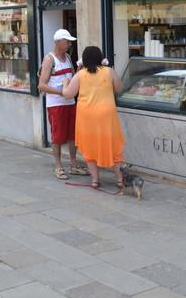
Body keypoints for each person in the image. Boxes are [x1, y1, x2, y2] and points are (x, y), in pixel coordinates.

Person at [61, 46, 126, 192]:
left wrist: (65, 83)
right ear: (100, 58)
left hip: (87, 116)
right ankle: (120, 180)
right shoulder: (109, 71)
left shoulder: (80, 75)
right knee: (113, 146)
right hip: (107, 115)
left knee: (89, 147)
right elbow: (120, 88)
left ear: (83, 60)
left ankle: (95, 180)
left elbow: (68, 94)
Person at [38, 29, 89, 180]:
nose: (69, 44)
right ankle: (58, 166)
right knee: (58, 136)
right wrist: (62, 93)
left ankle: (73, 164)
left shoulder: (67, 57)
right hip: (56, 104)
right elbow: (42, 85)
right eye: (66, 41)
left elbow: (72, 78)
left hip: (70, 102)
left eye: (69, 41)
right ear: (57, 42)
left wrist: (79, 71)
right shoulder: (49, 59)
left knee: (73, 134)